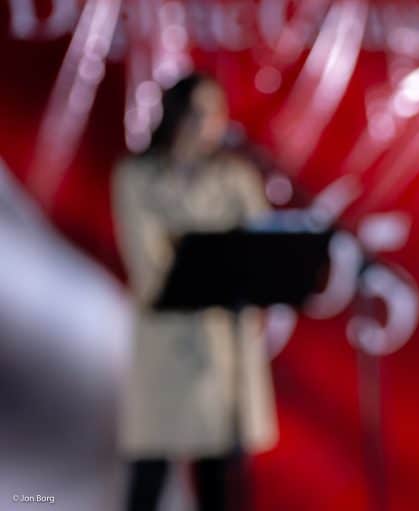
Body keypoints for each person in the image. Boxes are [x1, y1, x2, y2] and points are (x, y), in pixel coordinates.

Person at [112, 74, 278, 511]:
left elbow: (263, 256)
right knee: (148, 478)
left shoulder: (236, 177)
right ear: (176, 114)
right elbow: (152, 269)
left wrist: (195, 253)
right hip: (166, 347)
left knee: (217, 482)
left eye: (217, 112)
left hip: (224, 351)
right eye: (199, 112)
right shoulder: (137, 176)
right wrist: (215, 264)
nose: (209, 123)